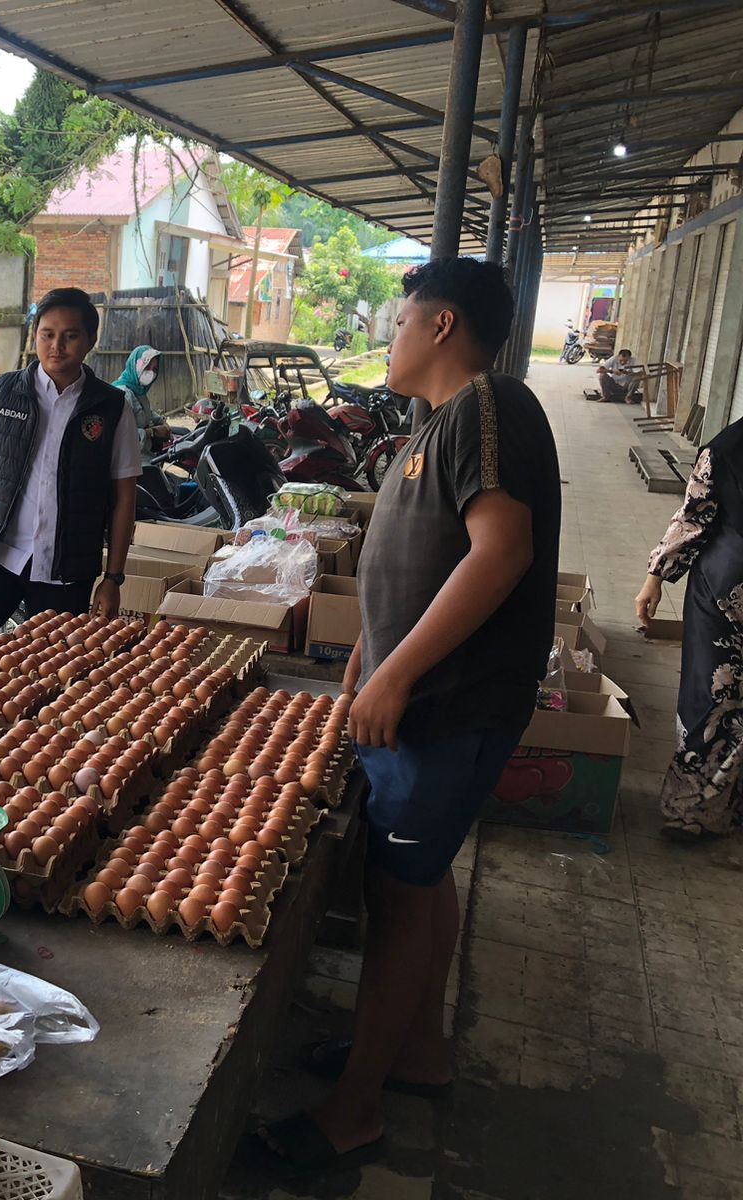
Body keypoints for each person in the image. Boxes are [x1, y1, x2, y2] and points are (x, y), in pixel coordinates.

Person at [248, 258, 561, 1177]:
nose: (386, 338)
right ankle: (416, 1050)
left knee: (398, 900)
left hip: (446, 707)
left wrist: (399, 677)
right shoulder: (439, 421)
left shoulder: (490, 409)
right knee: (423, 881)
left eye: (396, 321)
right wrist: (367, 652)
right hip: (421, 693)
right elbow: (423, 557)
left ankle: (355, 1116)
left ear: (441, 325)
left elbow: (500, 554)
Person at [0, 287, 141, 662]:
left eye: (70, 335)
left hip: (66, 570)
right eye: (47, 334)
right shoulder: (2, 392)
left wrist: (112, 579)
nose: (56, 345)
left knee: (52, 674)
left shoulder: (111, 409)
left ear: (91, 340)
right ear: (35, 336)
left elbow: (125, 497)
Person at [635, 420, 743, 840]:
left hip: (727, 591)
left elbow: (696, 518)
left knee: (714, 697)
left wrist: (655, 578)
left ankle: (693, 813)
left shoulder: (729, 446)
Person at [112, 345, 171, 453]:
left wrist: (163, 424)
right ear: (135, 365)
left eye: (155, 369)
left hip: (145, 455)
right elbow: (119, 436)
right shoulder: (123, 394)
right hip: (131, 461)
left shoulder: (139, 392)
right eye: (147, 367)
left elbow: (148, 413)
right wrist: (152, 432)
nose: (151, 373)